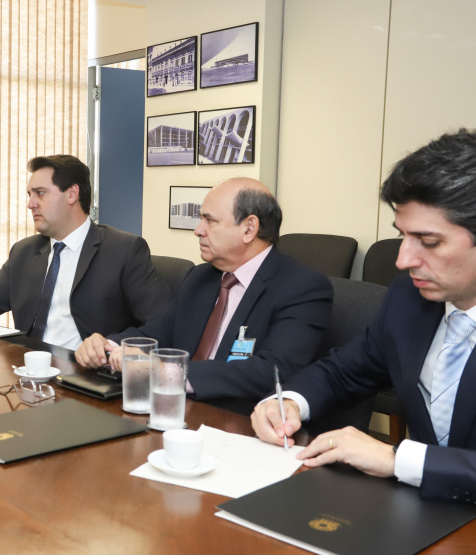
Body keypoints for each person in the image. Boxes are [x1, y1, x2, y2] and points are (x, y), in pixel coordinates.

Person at [252, 129, 476, 504]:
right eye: (403, 236)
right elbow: (344, 372)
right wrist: (289, 402)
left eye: (429, 242)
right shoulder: (408, 299)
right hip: (426, 512)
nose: (403, 260)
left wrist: (396, 458)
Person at [75, 178, 333, 407]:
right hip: (173, 409)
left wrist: (171, 373)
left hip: (239, 419)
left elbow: (272, 371)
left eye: (210, 220)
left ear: (249, 228)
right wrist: (107, 346)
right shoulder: (200, 278)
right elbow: (157, 333)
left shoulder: (302, 288)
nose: (198, 230)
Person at [0, 154, 170, 350]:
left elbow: (163, 322)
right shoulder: (25, 251)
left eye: (40, 193)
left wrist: (109, 345)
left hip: (88, 376)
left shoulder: (123, 250)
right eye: (29, 194)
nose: (30, 203)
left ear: (72, 194)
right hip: (28, 370)